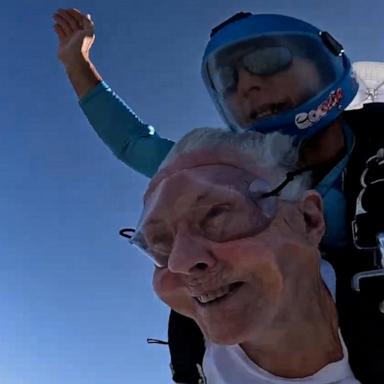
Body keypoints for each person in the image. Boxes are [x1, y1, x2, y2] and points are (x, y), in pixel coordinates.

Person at [54, 9, 384, 383]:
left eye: (266, 60)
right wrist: (76, 62)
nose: (246, 86)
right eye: (228, 80)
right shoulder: (231, 172)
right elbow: (134, 143)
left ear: (323, 59)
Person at [127, 127, 359, 383]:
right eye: (160, 244)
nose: (180, 262)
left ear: (308, 220)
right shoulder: (190, 356)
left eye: (215, 215)